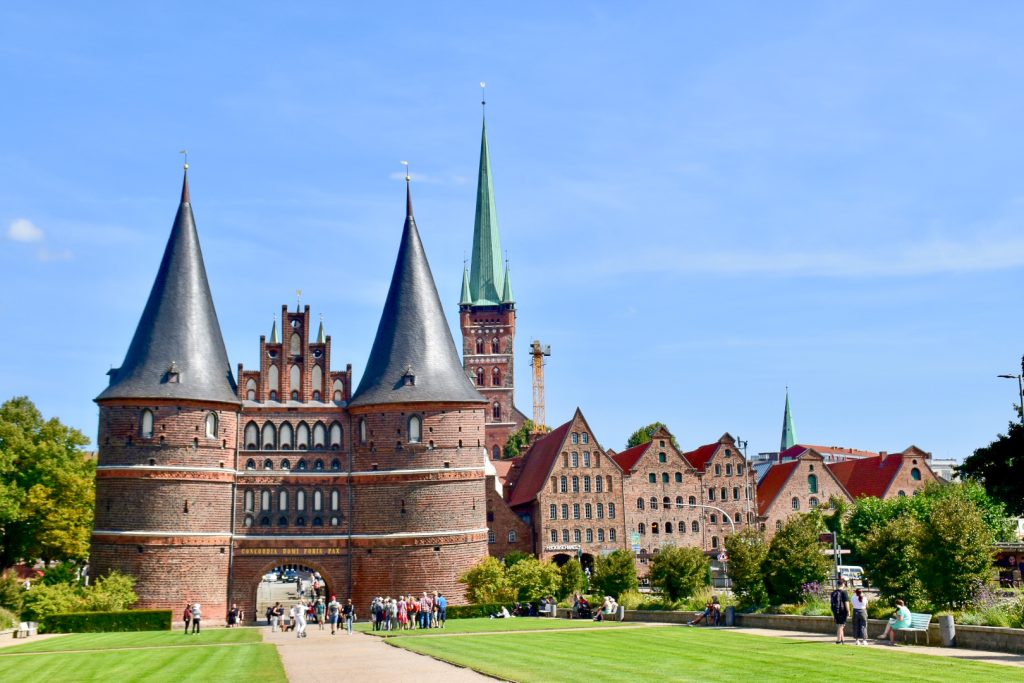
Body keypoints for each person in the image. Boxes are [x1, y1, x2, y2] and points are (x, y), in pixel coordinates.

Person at [830, 579, 852, 644]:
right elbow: (846, 602)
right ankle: (838, 640)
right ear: (843, 584)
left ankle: (843, 640)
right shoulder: (844, 592)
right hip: (842, 610)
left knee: (839, 625)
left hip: (835, 610)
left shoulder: (833, 592)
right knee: (841, 625)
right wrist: (848, 611)